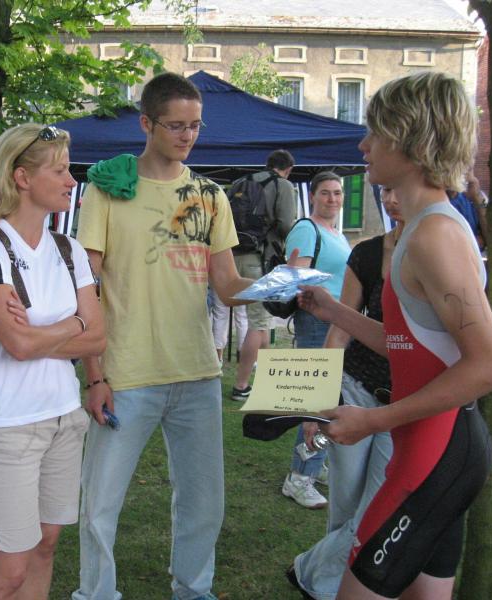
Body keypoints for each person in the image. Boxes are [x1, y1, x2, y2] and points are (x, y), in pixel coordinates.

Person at [298, 71, 492, 599]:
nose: (363, 145)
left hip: (434, 454)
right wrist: (334, 310)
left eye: (376, 132)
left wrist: (374, 420)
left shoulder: (434, 234)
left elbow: (491, 366)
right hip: (433, 448)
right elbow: (408, 346)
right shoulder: (420, 229)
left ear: (412, 140)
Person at [72, 72, 252, 600]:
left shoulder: (210, 195)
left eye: (195, 125)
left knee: (203, 501)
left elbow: (227, 285)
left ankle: (194, 590)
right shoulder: (107, 190)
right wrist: (95, 376)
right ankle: (96, 594)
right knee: (99, 503)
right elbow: (86, 287)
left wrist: (280, 285)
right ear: (146, 123)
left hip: (197, 371)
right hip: (126, 373)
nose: (187, 135)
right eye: (176, 125)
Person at [0, 124, 104, 599]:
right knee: (9, 570)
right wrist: (73, 325)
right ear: (22, 177)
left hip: (63, 415)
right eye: (59, 170)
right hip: (9, 424)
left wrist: (40, 334)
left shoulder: (68, 249)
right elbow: (17, 345)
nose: (71, 180)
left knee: (45, 547)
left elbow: (98, 336)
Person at [287, 187, 401, 599]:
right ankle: (332, 586)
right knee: (346, 505)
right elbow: (339, 331)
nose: (392, 199)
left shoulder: (435, 251)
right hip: (355, 390)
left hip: (403, 406)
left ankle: (310, 570)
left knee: (376, 510)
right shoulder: (366, 254)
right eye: (386, 190)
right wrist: (317, 402)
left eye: (399, 188)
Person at [282, 171, 351, 510]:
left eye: (337, 193)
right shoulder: (307, 229)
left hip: (336, 322)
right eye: (325, 192)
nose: (332, 199)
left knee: (329, 398)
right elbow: (297, 277)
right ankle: (299, 478)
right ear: (312, 196)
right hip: (316, 322)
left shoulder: (336, 233)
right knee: (316, 400)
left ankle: (314, 463)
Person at [232, 149, 297, 400]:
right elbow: (286, 224)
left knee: (262, 319)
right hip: (261, 258)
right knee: (258, 323)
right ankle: (240, 386)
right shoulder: (282, 185)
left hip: (234, 257)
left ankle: (268, 375)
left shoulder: (241, 182)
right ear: (288, 169)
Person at [447, 169, 489, 250]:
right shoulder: (435, 197)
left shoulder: (475, 195)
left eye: (470, 168)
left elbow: (491, 239)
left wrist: (477, 198)